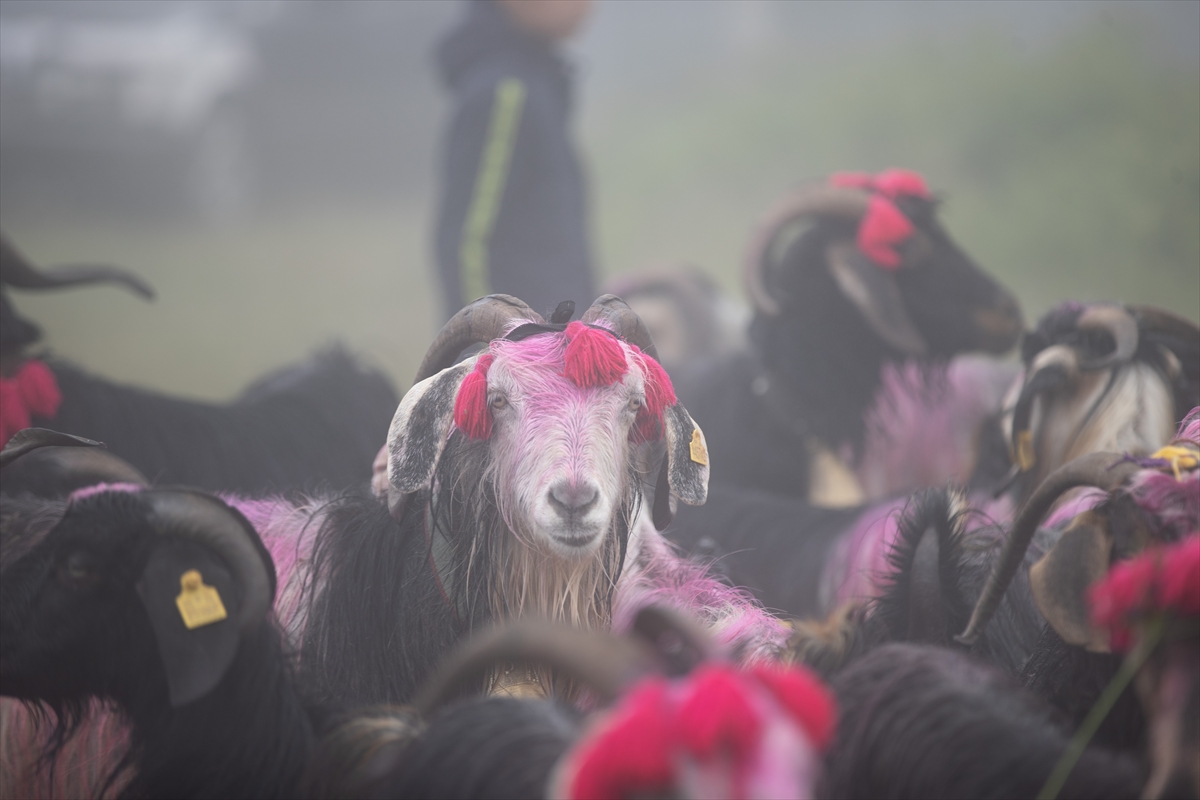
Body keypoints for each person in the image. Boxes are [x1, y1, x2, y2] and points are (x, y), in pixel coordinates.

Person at [432, 0, 596, 322]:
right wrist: (481, 356)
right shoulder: (505, 93)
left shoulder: (536, 84)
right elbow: (467, 244)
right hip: (517, 361)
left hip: (552, 352)